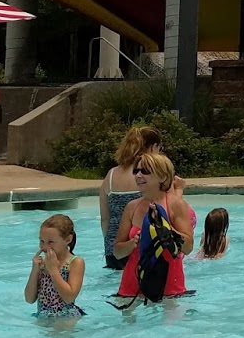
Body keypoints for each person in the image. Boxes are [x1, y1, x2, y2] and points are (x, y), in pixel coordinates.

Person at [113, 150, 194, 302]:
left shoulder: (176, 205)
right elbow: (117, 252)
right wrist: (132, 243)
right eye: (136, 171)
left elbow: (188, 247)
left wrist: (167, 230)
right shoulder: (132, 207)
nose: (138, 175)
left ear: (162, 176)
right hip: (132, 286)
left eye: (145, 171)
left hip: (170, 286)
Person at [97, 125, 158, 270]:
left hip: (114, 251)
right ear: (152, 148)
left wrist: (110, 245)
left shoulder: (111, 175)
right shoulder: (149, 175)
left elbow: (105, 219)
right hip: (141, 248)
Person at [25, 213, 86, 320]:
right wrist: (34, 271)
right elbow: (29, 299)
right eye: (42, 241)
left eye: (51, 242)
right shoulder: (42, 263)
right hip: (42, 316)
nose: (45, 247)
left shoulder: (75, 262)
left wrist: (53, 270)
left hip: (66, 317)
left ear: (68, 240)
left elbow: (69, 298)